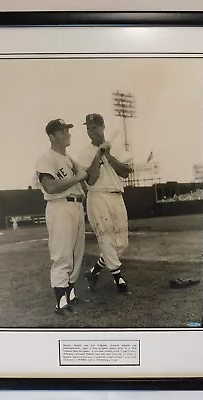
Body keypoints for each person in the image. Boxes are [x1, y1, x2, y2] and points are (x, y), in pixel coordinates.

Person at [35, 118, 88, 315]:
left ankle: (71, 296)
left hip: (76, 206)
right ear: (51, 136)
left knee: (76, 254)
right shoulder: (46, 158)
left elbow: (86, 177)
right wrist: (77, 177)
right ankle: (60, 304)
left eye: (67, 130)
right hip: (59, 206)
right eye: (62, 131)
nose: (67, 133)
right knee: (62, 254)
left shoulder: (69, 159)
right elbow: (50, 186)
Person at [77, 113, 133, 295]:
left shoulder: (114, 147)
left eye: (94, 128)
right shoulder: (84, 152)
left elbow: (126, 172)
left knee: (122, 243)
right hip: (98, 196)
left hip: (117, 195)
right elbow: (91, 180)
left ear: (102, 127)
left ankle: (94, 273)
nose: (91, 132)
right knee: (106, 237)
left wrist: (108, 155)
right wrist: (97, 156)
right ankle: (119, 279)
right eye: (88, 129)